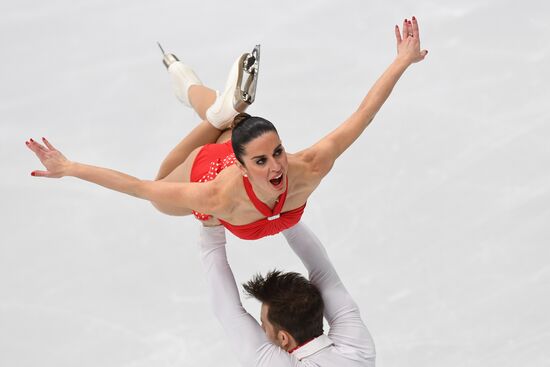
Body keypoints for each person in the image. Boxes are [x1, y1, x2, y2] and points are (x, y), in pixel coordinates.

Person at [26, 17, 428, 240]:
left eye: (277, 152)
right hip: (205, 165)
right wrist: (70, 167)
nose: (276, 165)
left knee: (226, 118)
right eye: (261, 160)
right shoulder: (217, 194)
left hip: (235, 146)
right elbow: (138, 188)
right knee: (161, 198)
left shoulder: (308, 166)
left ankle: (220, 113)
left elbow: (362, 116)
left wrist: (401, 61)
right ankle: (218, 118)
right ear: (239, 165)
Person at [199, 221, 375, 366]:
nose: (260, 330)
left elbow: (228, 311)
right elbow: (321, 268)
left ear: (284, 338)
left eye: (264, 325)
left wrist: (211, 225)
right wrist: (285, 213)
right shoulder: (357, 348)